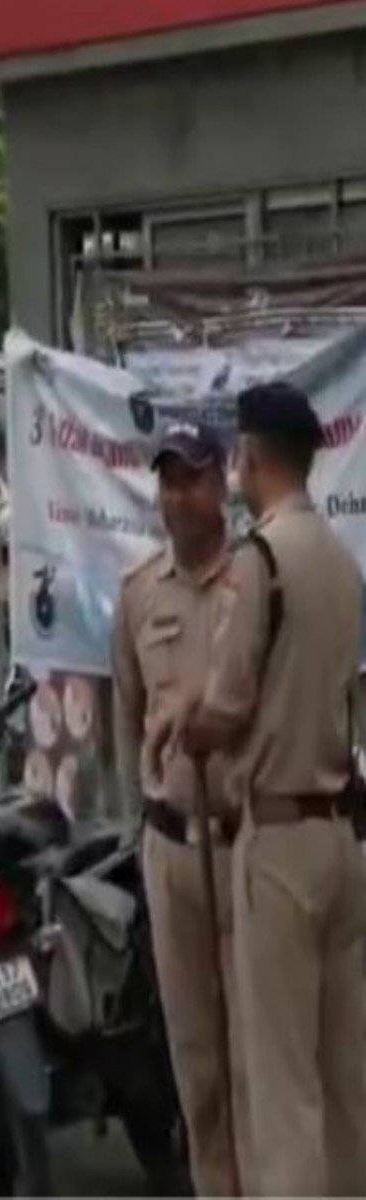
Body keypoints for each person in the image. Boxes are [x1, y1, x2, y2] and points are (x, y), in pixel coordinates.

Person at [172, 382, 366, 1197]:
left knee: (282, 1091)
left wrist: (187, 721)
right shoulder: (341, 561)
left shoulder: (262, 561)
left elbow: (226, 704)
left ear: (250, 457)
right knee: (346, 1078)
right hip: (341, 834)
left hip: (277, 840)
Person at [111, 421, 246, 1198]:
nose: (179, 497)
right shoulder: (136, 596)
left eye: (193, 477)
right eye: (167, 480)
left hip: (249, 845)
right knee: (197, 1066)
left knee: (260, 1061)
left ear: (224, 479)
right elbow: (128, 720)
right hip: (172, 854)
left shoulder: (259, 585)